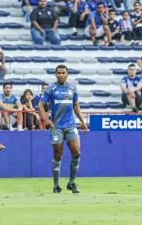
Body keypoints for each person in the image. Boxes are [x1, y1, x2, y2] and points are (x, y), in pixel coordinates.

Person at [38, 64, 88, 194]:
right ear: (55, 74)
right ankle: (56, 185)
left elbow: (76, 105)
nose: (61, 75)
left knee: (77, 153)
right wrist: (46, 119)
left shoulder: (72, 88)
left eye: (63, 73)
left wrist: (82, 121)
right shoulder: (51, 88)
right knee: (58, 155)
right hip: (56, 127)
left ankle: (71, 183)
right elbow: (41, 104)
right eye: (58, 73)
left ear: (67, 74)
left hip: (71, 125)